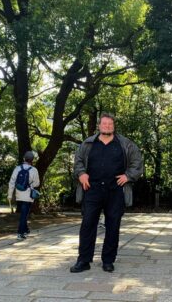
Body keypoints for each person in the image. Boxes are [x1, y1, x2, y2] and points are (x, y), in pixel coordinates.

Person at [70, 113, 143, 273]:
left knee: (113, 226)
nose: (107, 126)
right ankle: (83, 260)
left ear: (114, 126)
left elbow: (137, 162)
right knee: (87, 224)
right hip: (91, 190)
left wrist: (128, 176)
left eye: (110, 124)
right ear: (99, 125)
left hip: (116, 190)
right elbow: (78, 161)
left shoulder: (125, 144)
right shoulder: (88, 143)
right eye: (104, 124)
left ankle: (108, 260)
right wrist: (81, 173)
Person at [7, 151, 40, 240]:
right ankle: (20, 233)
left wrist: (9, 195)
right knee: (24, 214)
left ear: (24, 159)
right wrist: (31, 185)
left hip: (19, 194)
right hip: (28, 195)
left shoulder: (17, 168)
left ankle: (26, 230)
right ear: (32, 160)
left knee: (23, 212)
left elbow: (12, 182)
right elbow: (37, 183)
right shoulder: (34, 170)